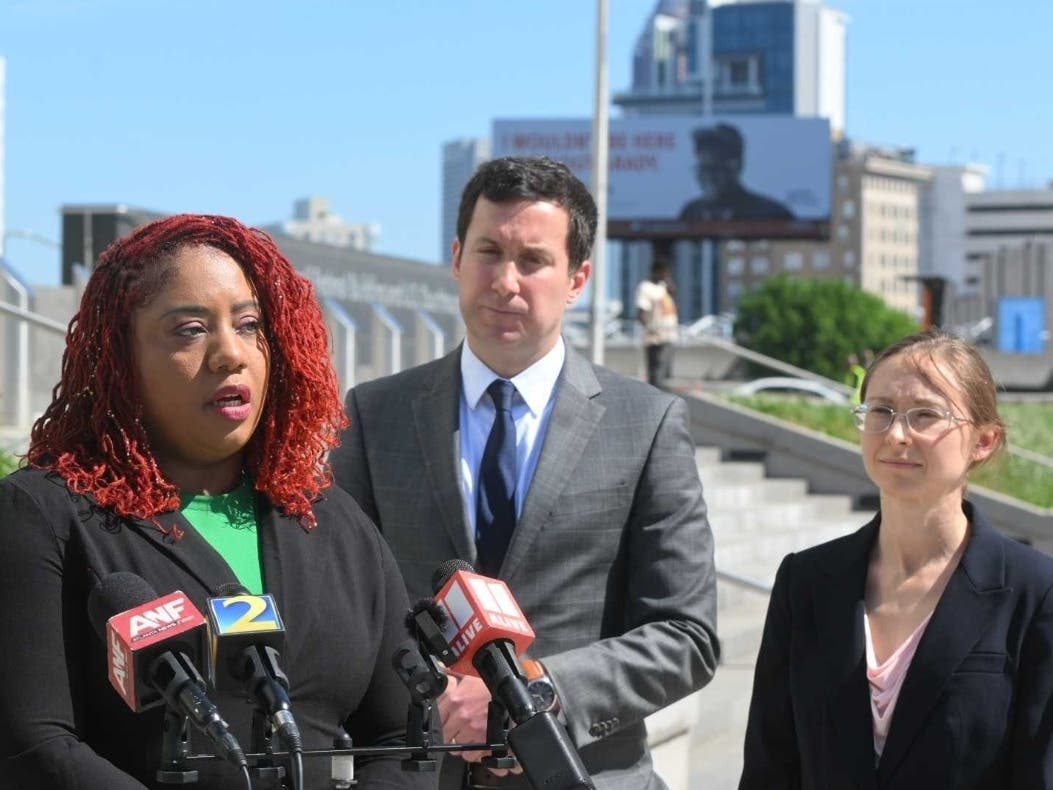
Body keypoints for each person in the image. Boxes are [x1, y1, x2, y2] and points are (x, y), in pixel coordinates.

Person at [0, 215, 432, 789]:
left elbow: (402, 738)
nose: (231, 353)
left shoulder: (329, 519)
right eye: (190, 329)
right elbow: (36, 747)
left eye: (250, 324)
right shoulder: (45, 514)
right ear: (120, 357)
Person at [331, 156, 719, 789]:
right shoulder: (376, 415)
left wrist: (539, 689)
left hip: (587, 775)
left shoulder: (646, 424)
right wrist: (438, 694)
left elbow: (687, 635)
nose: (505, 282)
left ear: (578, 279)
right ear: (456, 258)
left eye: (533, 260)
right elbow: (347, 605)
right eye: (488, 252)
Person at [740, 328, 1053, 788]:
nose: (898, 435)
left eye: (926, 415)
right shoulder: (805, 581)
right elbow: (770, 767)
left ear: (984, 441)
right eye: (881, 412)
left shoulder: (1035, 591)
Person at [678, 123, 794, 222]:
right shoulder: (691, 212)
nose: (707, 177)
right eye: (702, 168)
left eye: (714, 168)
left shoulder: (771, 214)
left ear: (737, 166)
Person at [635, 259, 679, 386]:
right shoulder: (646, 288)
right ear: (656, 272)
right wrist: (650, 329)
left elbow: (673, 308)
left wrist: (671, 290)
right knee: (656, 374)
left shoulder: (664, 288)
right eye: (663, 272)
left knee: (664, 374)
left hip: (670, 336)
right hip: (655, 338)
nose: (665, 275)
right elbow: (641, 313)